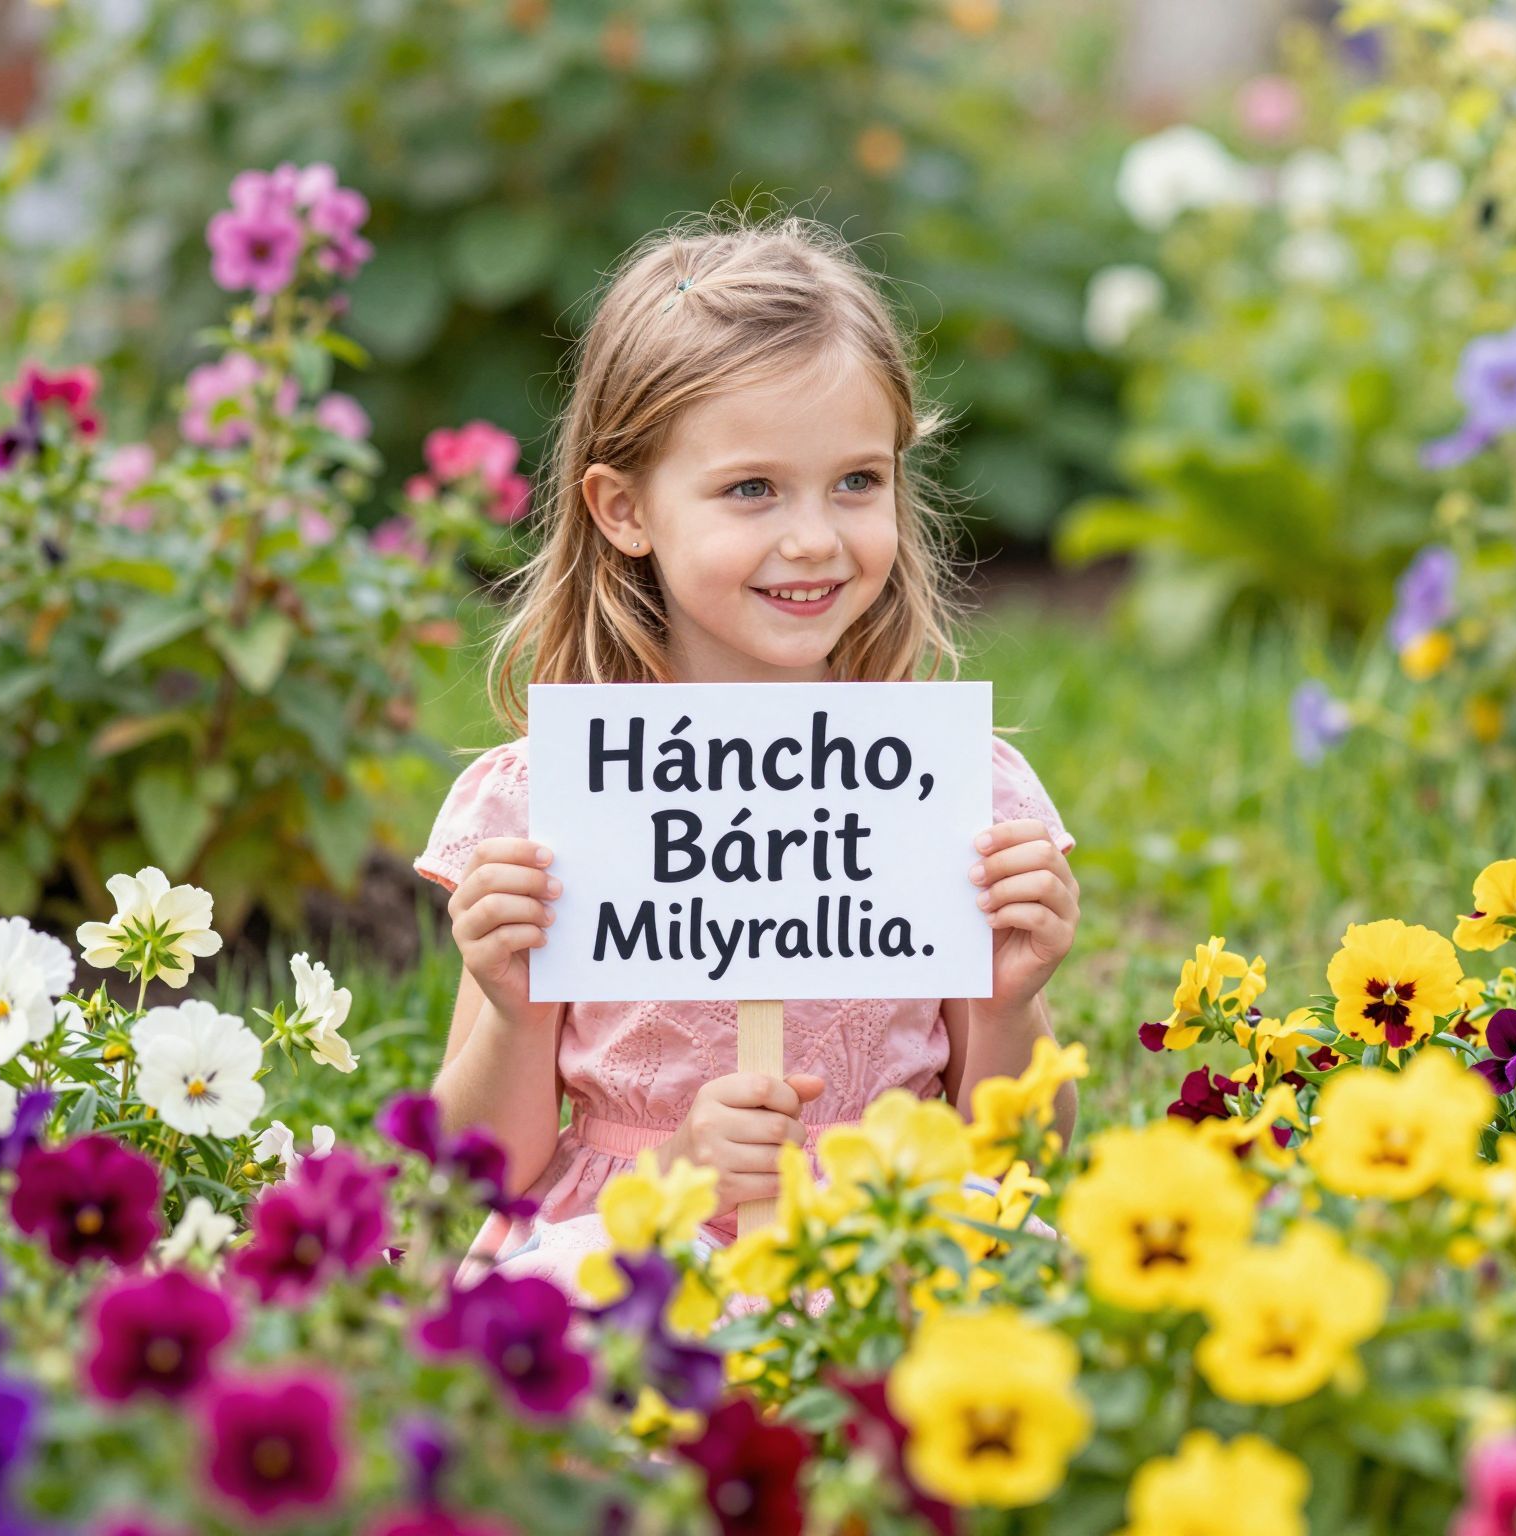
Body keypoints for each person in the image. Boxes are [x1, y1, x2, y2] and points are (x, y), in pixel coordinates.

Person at [411, 210, 1080, 1302]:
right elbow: (475, 1176)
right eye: (752, 489)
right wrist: (517, 1005)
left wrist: (1010, 1004)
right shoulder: (555, 805)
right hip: (637, 1245)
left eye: (856, 482)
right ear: (624, 509)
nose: (814, 537)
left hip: (888, 1230)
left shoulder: (948, 794)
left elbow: (1022, 1159)